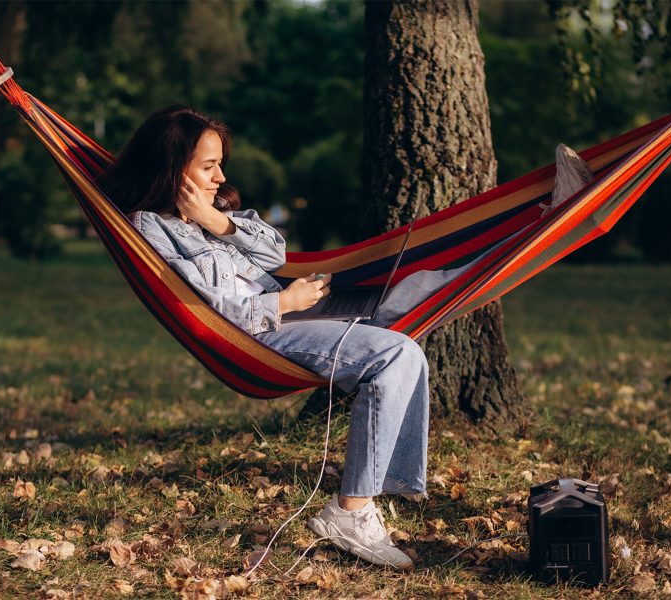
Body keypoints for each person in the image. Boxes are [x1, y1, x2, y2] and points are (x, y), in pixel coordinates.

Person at [99, 105, 593, 569]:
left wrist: (217, 222)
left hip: (303, 310)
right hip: (262, 334)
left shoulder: (217, 211)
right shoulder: (152, 229)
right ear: (173, 170)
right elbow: (209, 305)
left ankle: (549, 215)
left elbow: (275, 252)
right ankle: (351, 512)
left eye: (220, 165)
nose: (222, 178)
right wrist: (285, 304)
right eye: (209, 167)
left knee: (422, 287)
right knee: (398, 354)